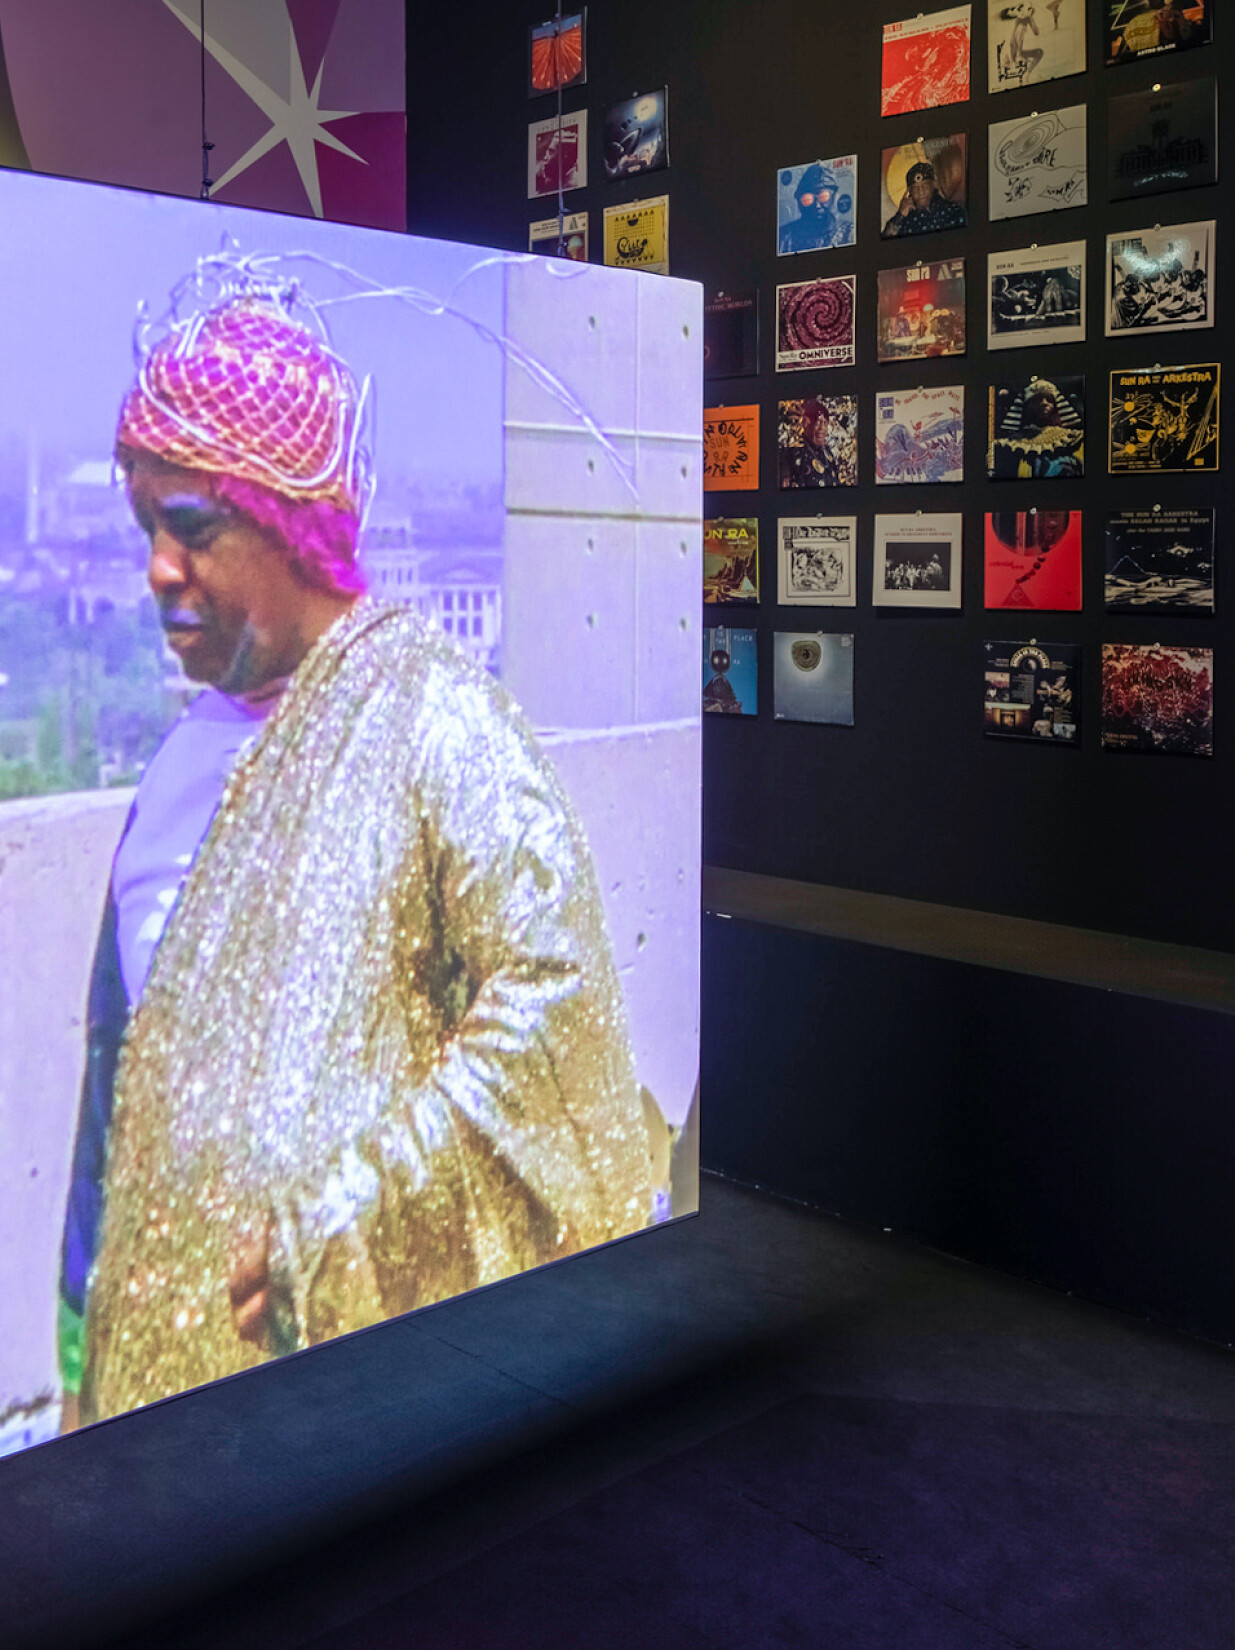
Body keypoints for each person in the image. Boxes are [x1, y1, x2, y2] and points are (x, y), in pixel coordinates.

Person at [59, 284, 663, 1429]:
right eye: (147, 528)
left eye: (191, 526)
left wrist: (344, 1220)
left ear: (288, 521)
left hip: (338, 1405)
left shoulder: (437, 718)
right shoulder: (182, 759)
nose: (157, 569)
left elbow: (561, 1009)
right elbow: (117, 1086)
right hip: (150, 1418)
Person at [882, 160, 966, 239]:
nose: (920, 191)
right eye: (915, 188)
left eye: (925, 186)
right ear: (909, 192)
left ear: (933, 185)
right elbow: (884, 245)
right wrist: (900, 215)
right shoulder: (906, 221)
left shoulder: (952, 210)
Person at [778, 162, 848, 255]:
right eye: (808, 199)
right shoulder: (784, 237)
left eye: (823, 197)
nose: (817, 205)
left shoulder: (848, 233)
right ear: (799, 201)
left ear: (833, 197)